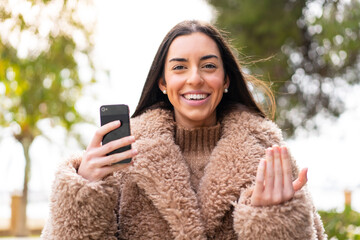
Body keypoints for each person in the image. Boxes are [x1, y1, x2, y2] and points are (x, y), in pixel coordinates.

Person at [41, 20, 326, 239]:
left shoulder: (267, 155)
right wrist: (84, 194)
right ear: (162, 83)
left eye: (208, 66)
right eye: (179, 67)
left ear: (225, 79)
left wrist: (274, 222)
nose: (195, 79)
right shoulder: (121, 161)